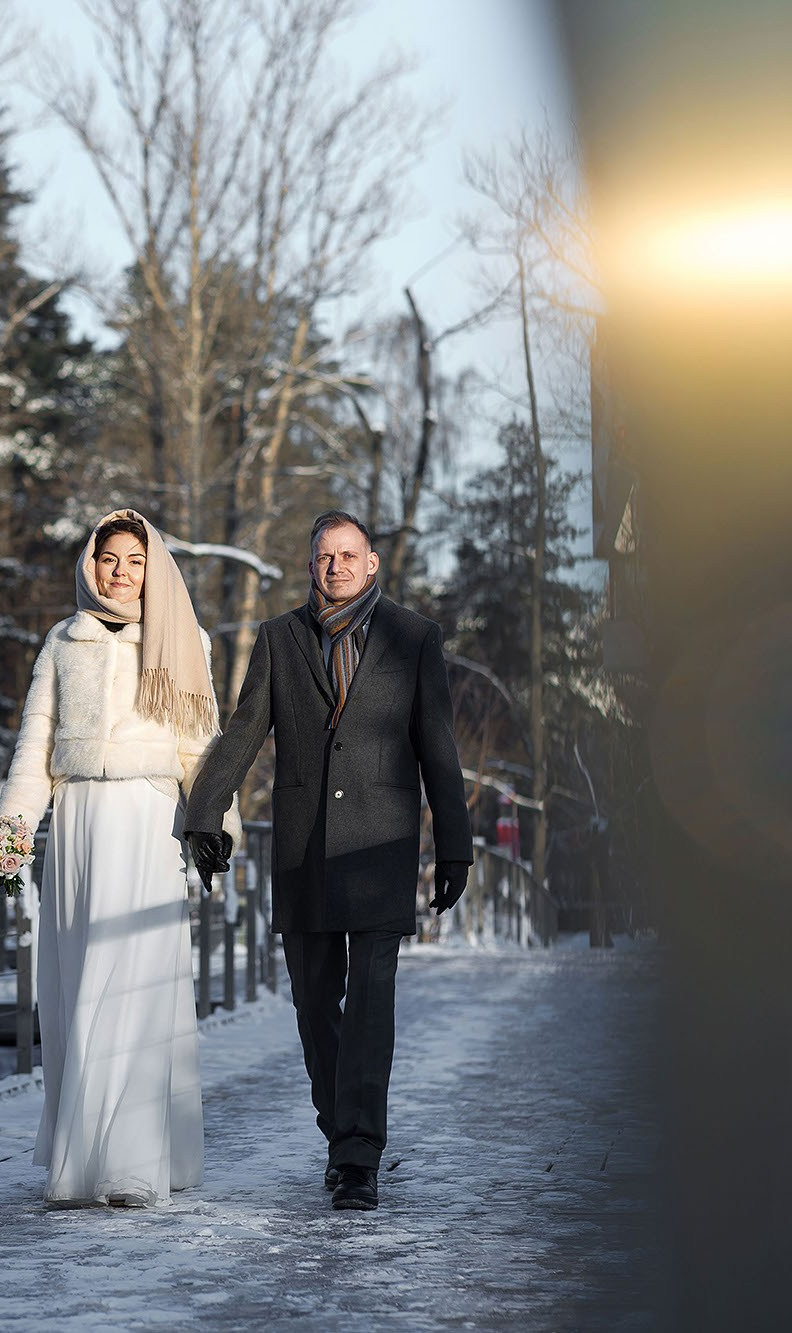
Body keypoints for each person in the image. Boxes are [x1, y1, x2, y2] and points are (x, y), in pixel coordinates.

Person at [183, 510, 472, 1212]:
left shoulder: (413, 638)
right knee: (316, 1007)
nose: (336, 566)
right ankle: (340, 1131)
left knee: (371, 1006)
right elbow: (244, 729)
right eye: (323, 556)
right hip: (304, 850)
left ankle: (357, 1154)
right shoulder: (279, 639)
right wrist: (203, 812)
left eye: (348, 555)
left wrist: (455, 844)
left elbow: (437, 746)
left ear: (372, 563)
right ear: (311, 566)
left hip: (382, 848)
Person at [0, 508, 241, 1207]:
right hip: (78, 828)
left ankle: (133, 1161)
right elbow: (35, 748)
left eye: (134, 560)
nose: (121, 572)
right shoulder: (62, 641)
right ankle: (85, 1156)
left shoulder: (182, 640)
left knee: (135, 986)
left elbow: (203, 749)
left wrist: (218, 831)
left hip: (147, 823)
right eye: (110, 559)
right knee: (79, 991)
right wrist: (12, 828)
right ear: (90, 564)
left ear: (151, 567)